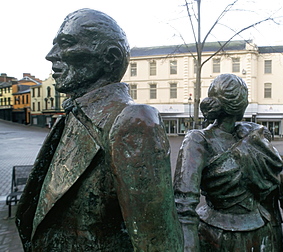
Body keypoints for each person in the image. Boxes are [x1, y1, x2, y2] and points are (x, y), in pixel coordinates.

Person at [16, 9, 183, 252]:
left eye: (66, 44)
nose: (51, 56)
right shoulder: (73, 117)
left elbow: (158, 242)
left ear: (111, 58)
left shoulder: (132, 122)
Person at [173, 74, 283, 251]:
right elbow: (281, 186)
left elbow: (184, 204)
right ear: (242, 105)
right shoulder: (256, 138)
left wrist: (188, 245)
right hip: (262, 233)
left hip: (215, 235)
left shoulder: (198, 140)